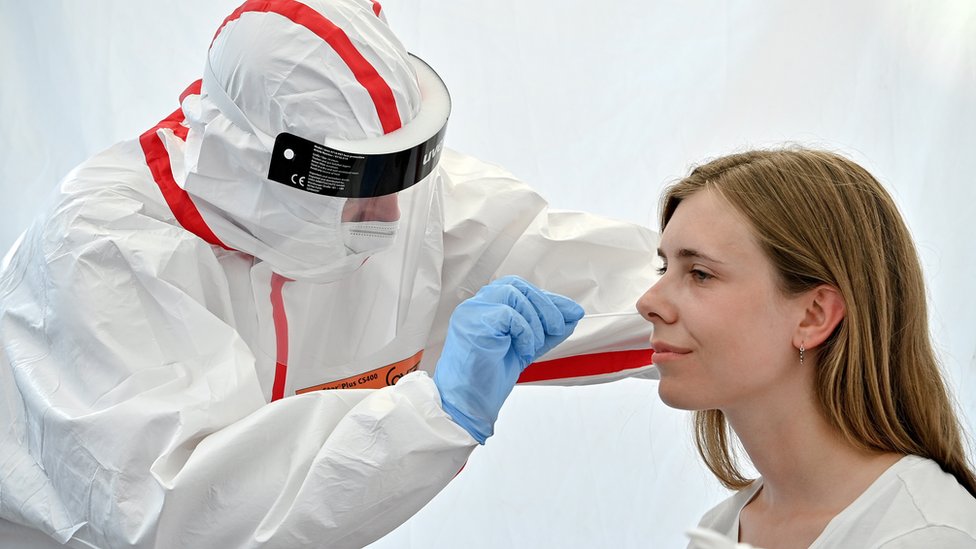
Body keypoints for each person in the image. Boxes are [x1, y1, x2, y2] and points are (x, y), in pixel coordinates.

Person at [0, 1, 659, 547]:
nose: (393, 211)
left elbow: (604, 277)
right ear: (259, 163)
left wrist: (717, 287)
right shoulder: (103, 248)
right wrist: (434, 416)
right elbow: (186, 515)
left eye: (404, 165)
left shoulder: (395, 201)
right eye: (361, 179)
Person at [636, 147, 976, 548]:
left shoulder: (926, 535)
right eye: (664, 268)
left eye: (700, 273)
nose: (648, 302)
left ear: (814, 316)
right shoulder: (719, 529)